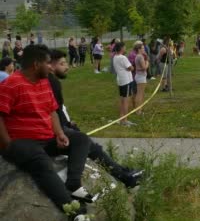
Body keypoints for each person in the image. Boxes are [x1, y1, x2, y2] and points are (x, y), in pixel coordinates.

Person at [0, 44, 92, 221]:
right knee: (40, 160)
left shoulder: (44, 81)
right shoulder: (12, 84)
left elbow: (51, 111)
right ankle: (73, 211)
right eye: (48, 63)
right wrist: (6, 145)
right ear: (36, 64)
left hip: (46, 138)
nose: (51, 66)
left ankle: (73, 183)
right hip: (22, 143)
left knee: (81, 139)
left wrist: (59, 133)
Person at [48, 49, 142, 188]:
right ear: (50, 65)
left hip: (59, 127)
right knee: (87, 144)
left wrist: (68, 124)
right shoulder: (51, 82)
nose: (67, 67)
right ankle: (121, 176)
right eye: (62, 64)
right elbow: (52, 111)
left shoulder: (49, 81)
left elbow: (57, 109)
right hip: (52, 133)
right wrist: (64, 128)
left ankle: (123, 173)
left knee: (92, 146)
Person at [112, 42, 136, 127]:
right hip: (126, 81)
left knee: (122, 100)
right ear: (121, 48)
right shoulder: (123, 57)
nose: (125, 49)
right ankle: (125, 120)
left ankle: (121, 118)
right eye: (124, 47)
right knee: (126, 101)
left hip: (120, 80)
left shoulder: (115, 57)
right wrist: (132, 67)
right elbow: (131, 68)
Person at [133, 43, 148, 114]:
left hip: (140, 76)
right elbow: (144, 67)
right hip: (141, 77)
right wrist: (147, 62)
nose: (144, 49)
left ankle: (139, 109)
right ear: (139, 49)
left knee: (141, 93)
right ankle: (138, 111)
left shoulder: (138, 56)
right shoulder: (140, 56)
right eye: (142, 48)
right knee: (140, 94)